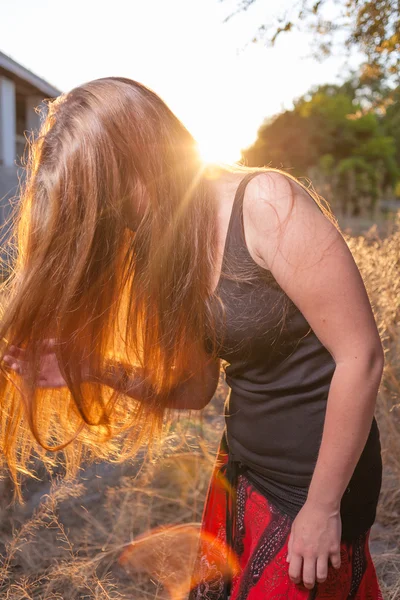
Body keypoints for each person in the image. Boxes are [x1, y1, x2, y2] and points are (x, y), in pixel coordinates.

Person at [0, 77, 384, 599]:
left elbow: (359, 357)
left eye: (107, 201)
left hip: (317, 488)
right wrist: (93, 367)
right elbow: (196, 389)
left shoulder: (266, 204)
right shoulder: (160, 246)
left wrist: (322, 509)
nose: (113, 225)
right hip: (244, 474)